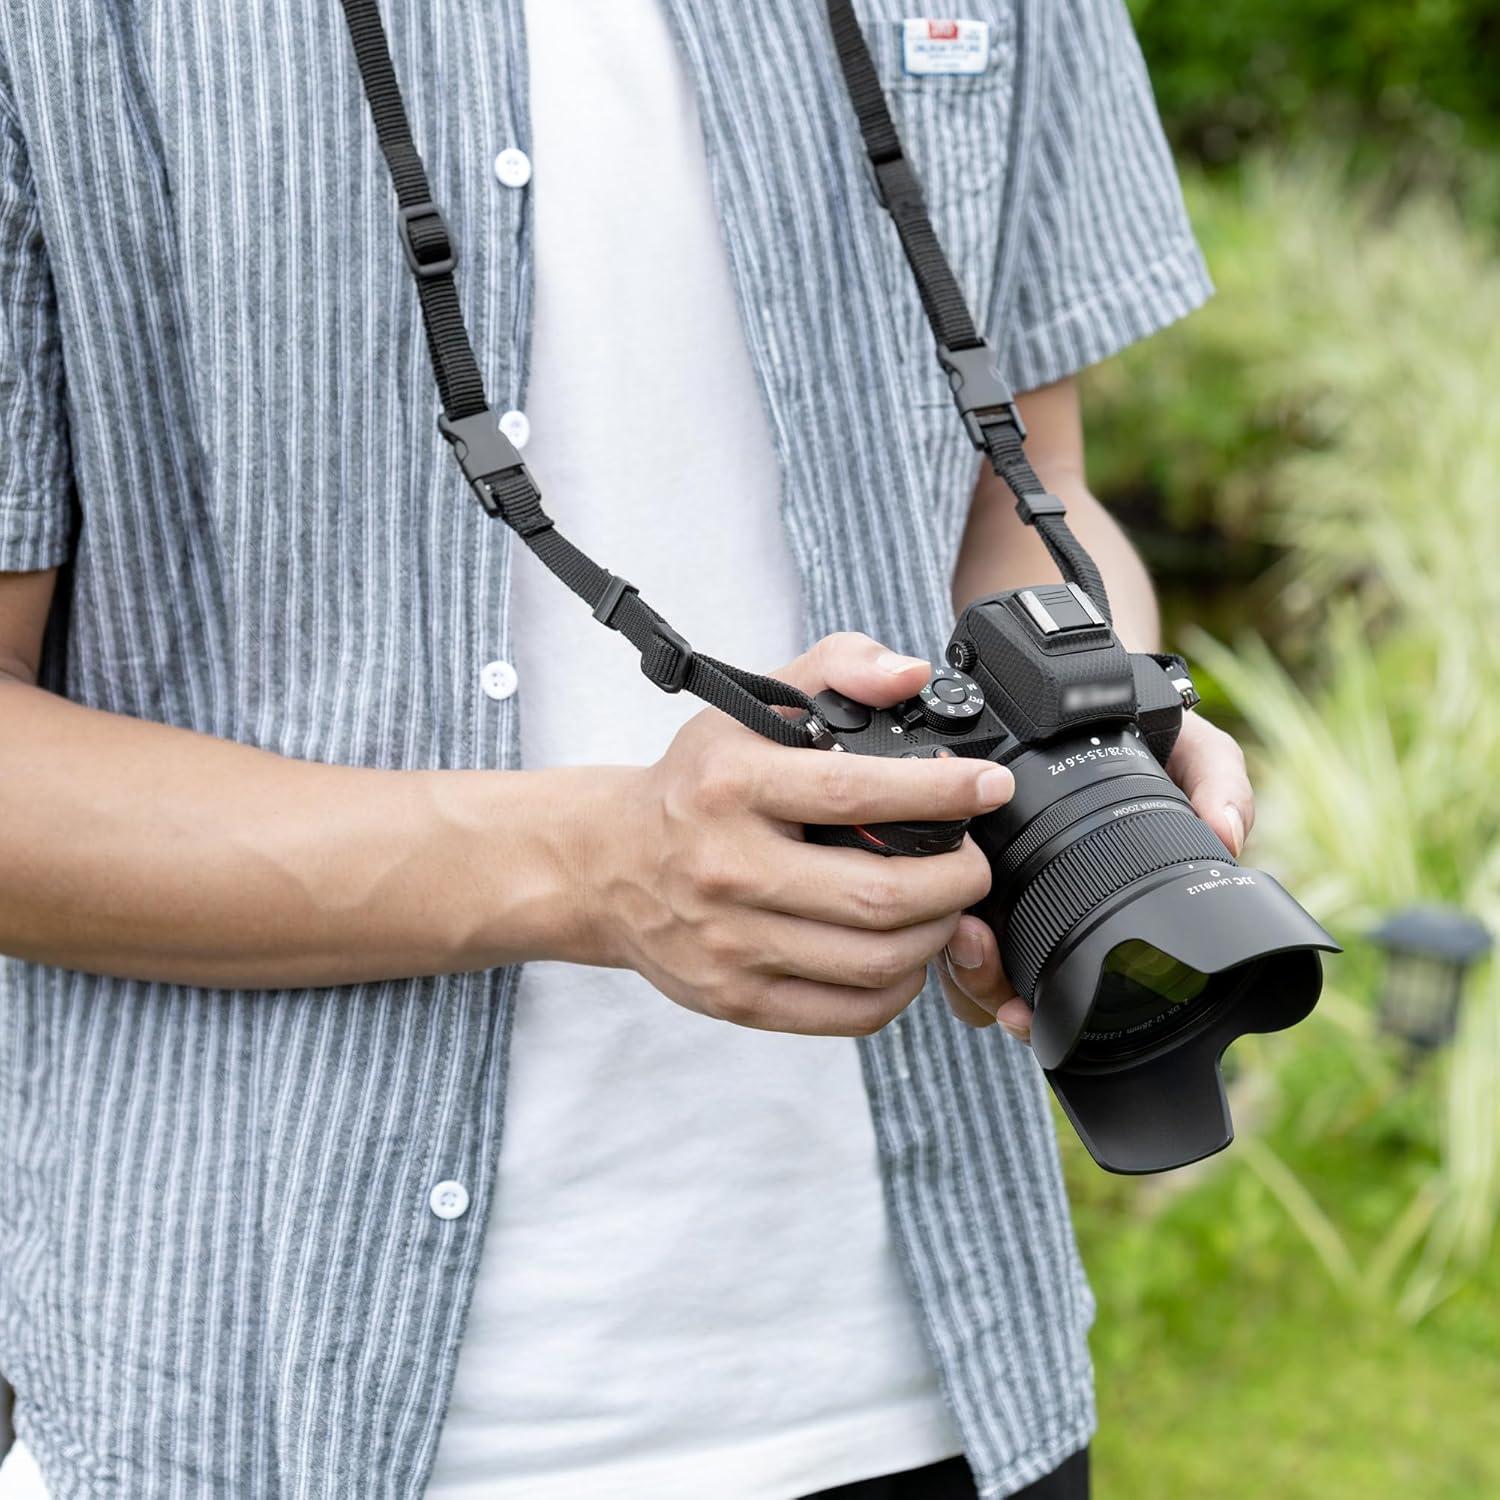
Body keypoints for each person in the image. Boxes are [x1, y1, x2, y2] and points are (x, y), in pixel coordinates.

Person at [0, 2, 1252, 1496]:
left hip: (952, 1390)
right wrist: (592, 868)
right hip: (261, 1414)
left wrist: (1090, 746)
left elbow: (1027, 503)